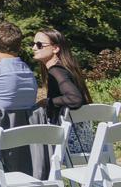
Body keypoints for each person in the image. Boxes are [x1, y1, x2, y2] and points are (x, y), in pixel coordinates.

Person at [36, 28, 94, 156]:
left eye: (39, 45)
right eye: (33, 44)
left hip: (68, 144)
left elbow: (75, 99)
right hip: (85, 141)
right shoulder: (67, 68)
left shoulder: (56, 70)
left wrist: (47, 102)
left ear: (55, 48)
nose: (34, 48)